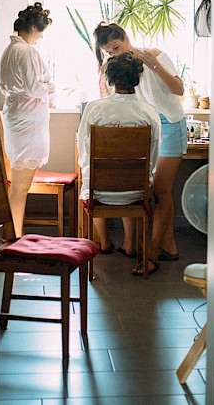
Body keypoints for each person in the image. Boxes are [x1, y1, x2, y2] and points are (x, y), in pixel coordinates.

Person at [93, 22, 186, 273]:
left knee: (160, 190)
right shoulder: (120, 68)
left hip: (170, 123)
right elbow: (111, 101)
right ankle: (169, 247)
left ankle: (152, 254)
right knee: (158, 192)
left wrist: (154, 66)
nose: (115, 54)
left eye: (116, 46)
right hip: (147, 125)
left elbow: (179, 89)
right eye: (109, 52)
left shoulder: (155, 55)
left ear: (126, 38)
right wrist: (102, 76)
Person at [78, 53, 162, 274]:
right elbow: (153, 158)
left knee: (93, 177)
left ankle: (103, 242)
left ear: (110, 80)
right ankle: (129, 244)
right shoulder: (149, 112)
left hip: (100, 192)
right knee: (131, 173)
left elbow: (83, 151)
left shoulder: (95, 109)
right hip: (136, 192)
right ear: (137, 79)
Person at [0, 2, 54, 236]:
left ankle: (13, 233)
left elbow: (5, 87)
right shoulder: (27, 51)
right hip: (27, 122)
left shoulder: (9, 51)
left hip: (16, 116)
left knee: (18, 186)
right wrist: (50, 86)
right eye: (40, 32)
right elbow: (34, 87)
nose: (40, 38)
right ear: (33, 27)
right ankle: (14, 236)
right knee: (20, 188)